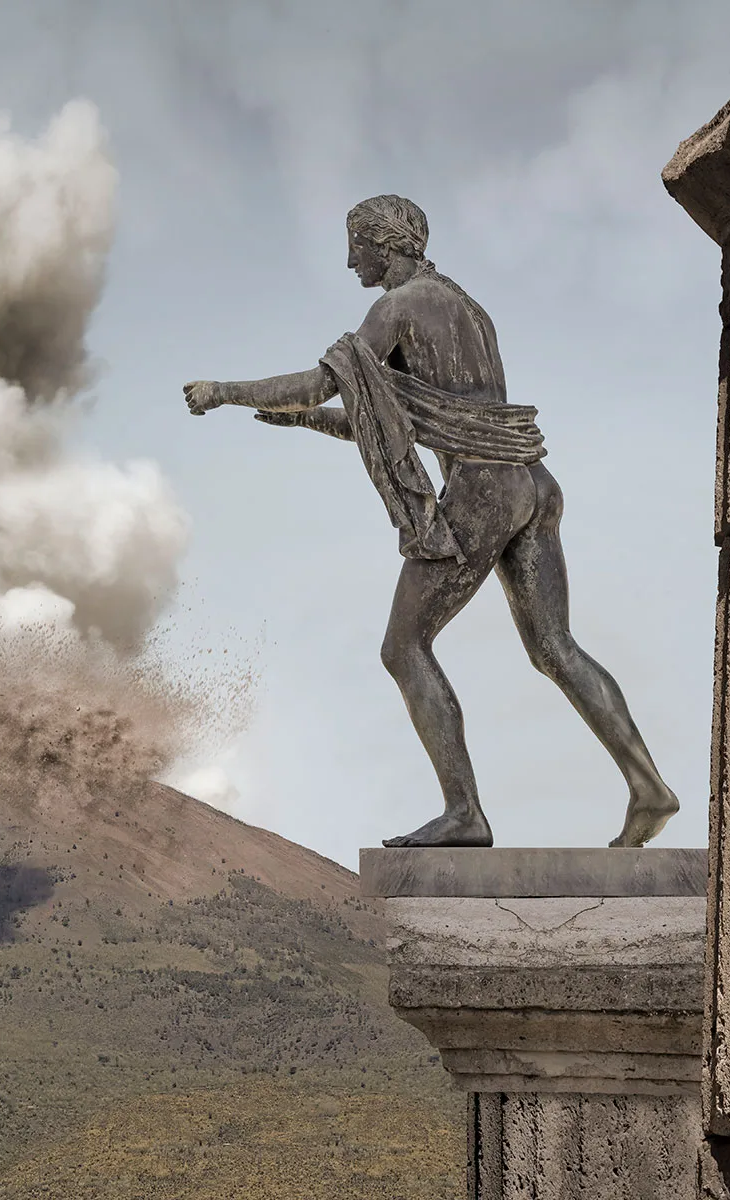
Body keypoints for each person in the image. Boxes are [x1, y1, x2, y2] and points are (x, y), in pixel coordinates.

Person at [183, 194, 678, 848]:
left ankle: (464, 812)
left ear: (385, 244)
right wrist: (302, 421)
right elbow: (403, 420)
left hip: (482, 489)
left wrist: (225, 391)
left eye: (357, 245)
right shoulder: (466, 306)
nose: (350, 259)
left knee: (403, 647)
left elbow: (319, 383)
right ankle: (648, 786)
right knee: (554, 648)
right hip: (531, 483)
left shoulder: (395, 309)